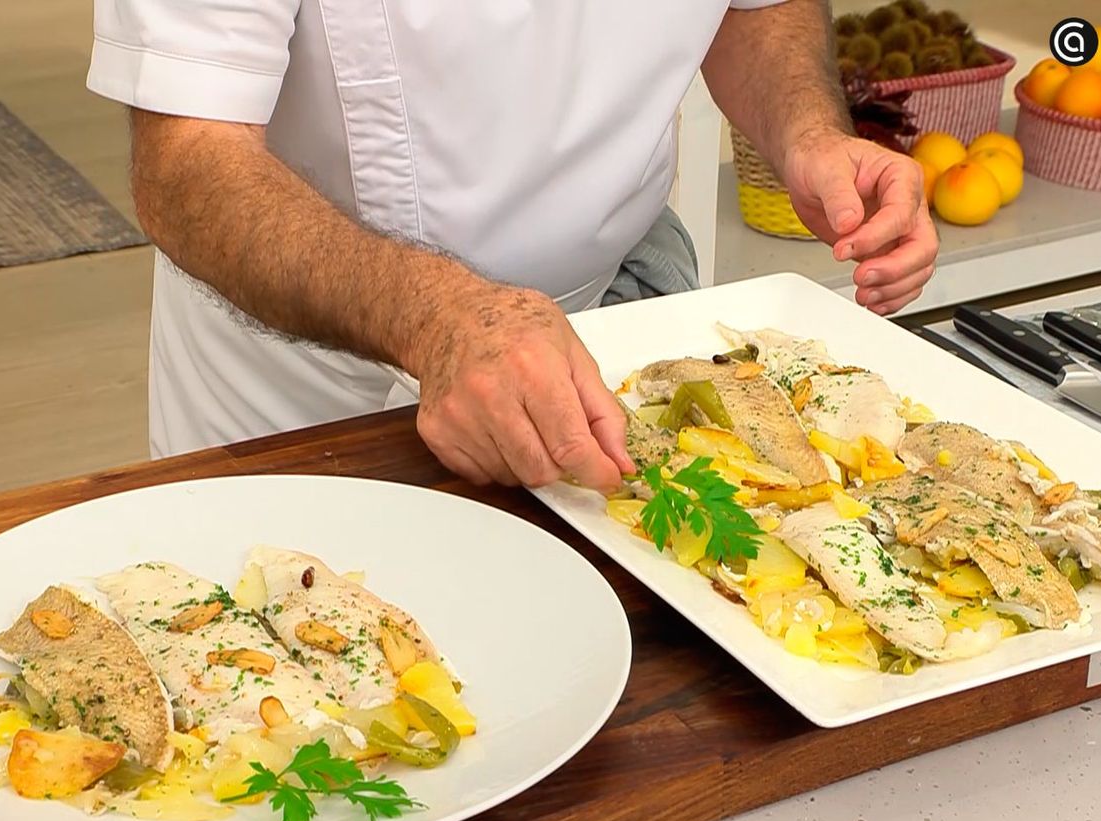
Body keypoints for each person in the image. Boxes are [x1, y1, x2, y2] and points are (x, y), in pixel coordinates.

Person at [87, 0, 938, 494]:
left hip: (610, 332)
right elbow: (188, 164)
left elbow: (758, 9)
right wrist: (438, 320)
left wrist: (810, 134)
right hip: (315, 383)